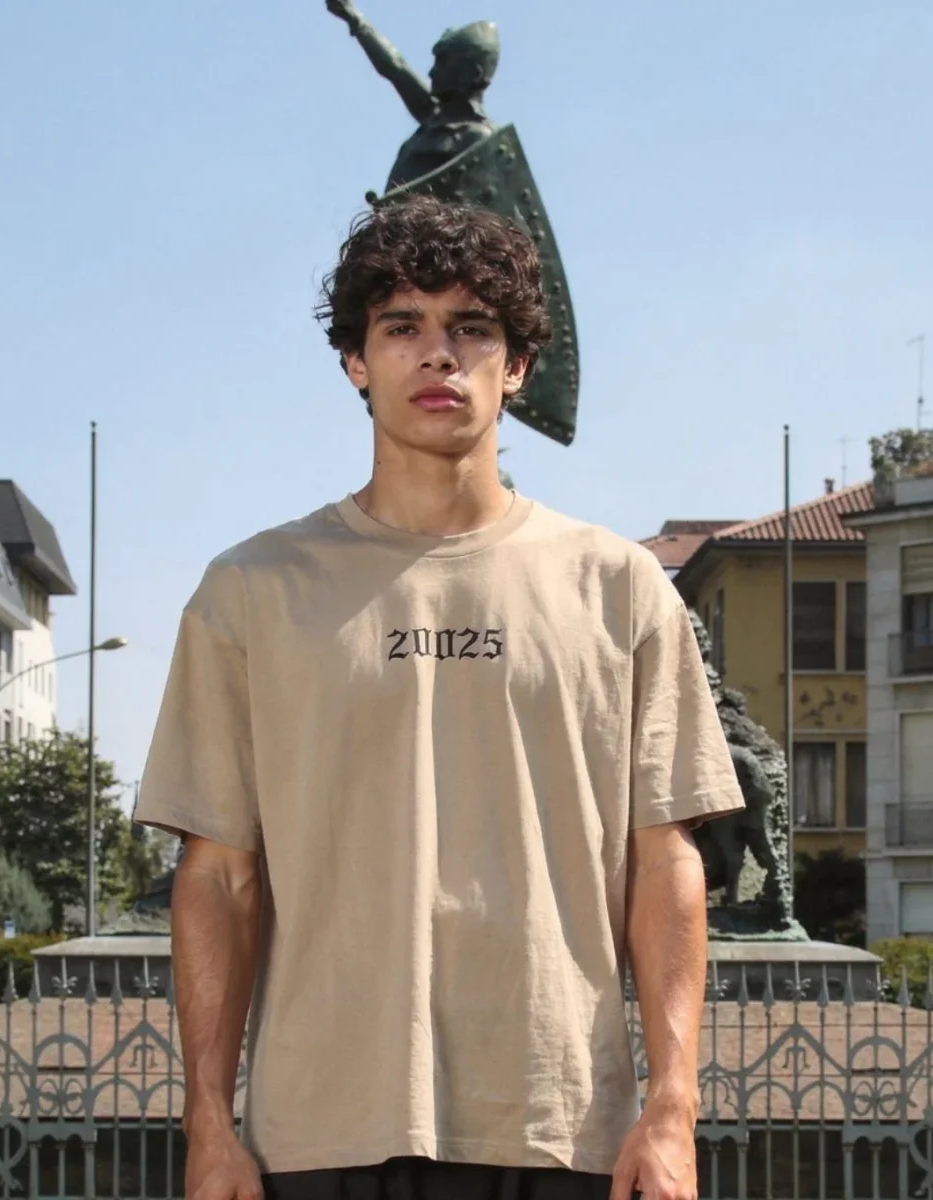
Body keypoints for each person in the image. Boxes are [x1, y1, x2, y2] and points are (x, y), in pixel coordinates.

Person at [135, 194, 745, 1200]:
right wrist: (208, 1122)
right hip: (316, 1134)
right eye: (401, 326)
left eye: (471, 328)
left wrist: (672, 1109)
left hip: (558, 1128)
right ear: (355, 361)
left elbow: (664, 861)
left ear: (518, 366)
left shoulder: (619, 585)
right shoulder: (252, 590)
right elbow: (219, 880)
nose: (438, 355)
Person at [325, 0, 498, 190]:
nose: (431, 73)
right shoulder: (433, 117)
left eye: (444, 63)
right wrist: (354, 17)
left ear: (474, 74)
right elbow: (395, 66)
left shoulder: (479, 140)